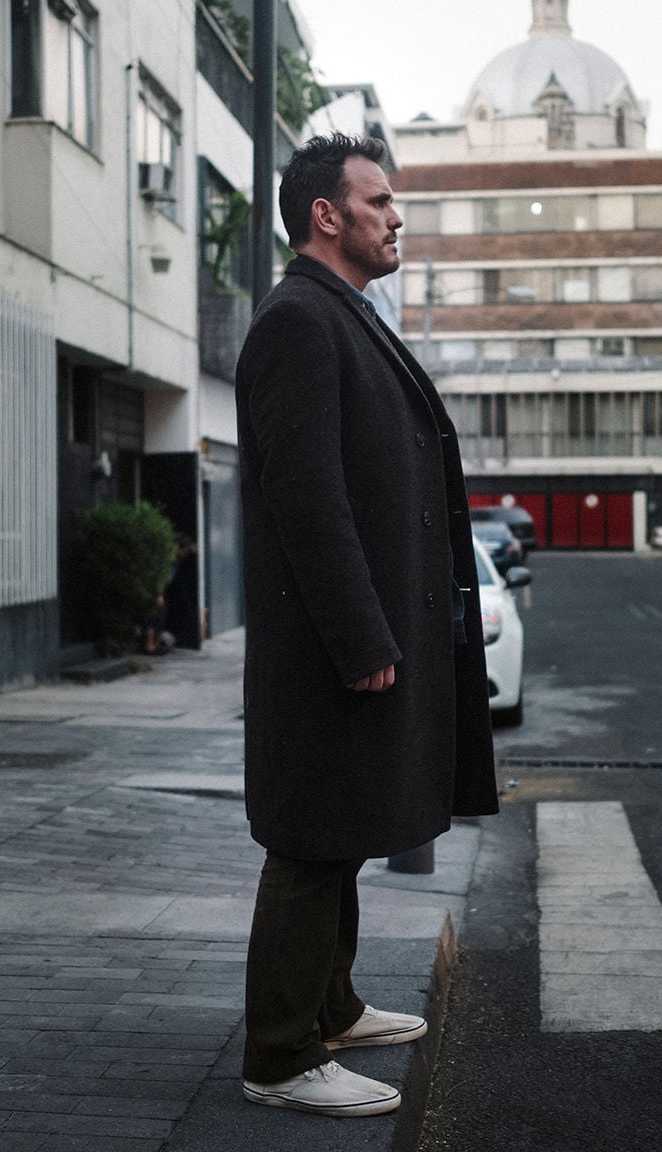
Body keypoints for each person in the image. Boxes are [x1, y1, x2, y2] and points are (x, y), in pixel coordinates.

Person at [233, 133, 500, 1117]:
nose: (396, 217)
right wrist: (358, 636)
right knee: (310, 840)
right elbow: (307, 498)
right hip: (325, 649)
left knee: (340, 826)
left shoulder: (340, 313)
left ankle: (333, 1008)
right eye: (379, 201)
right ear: (326, 215)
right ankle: (279, 1055)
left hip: (358, 638)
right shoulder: (299, 321)